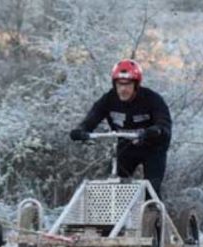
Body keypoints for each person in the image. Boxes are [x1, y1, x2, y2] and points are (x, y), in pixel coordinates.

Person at [70, 59, 172, 198]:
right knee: (114, 186)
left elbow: (164, 122)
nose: (123, 89)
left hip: (153, 148)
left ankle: (152, 214)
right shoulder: (108, 99)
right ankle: (119, 217)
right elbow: (92, 117)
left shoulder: (152, 99)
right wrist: (81, 130)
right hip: (127, 146)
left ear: (136, 85)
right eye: (119, 84)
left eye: (128, 84)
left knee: (151, 189)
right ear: (114, 84)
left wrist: (157, 130)